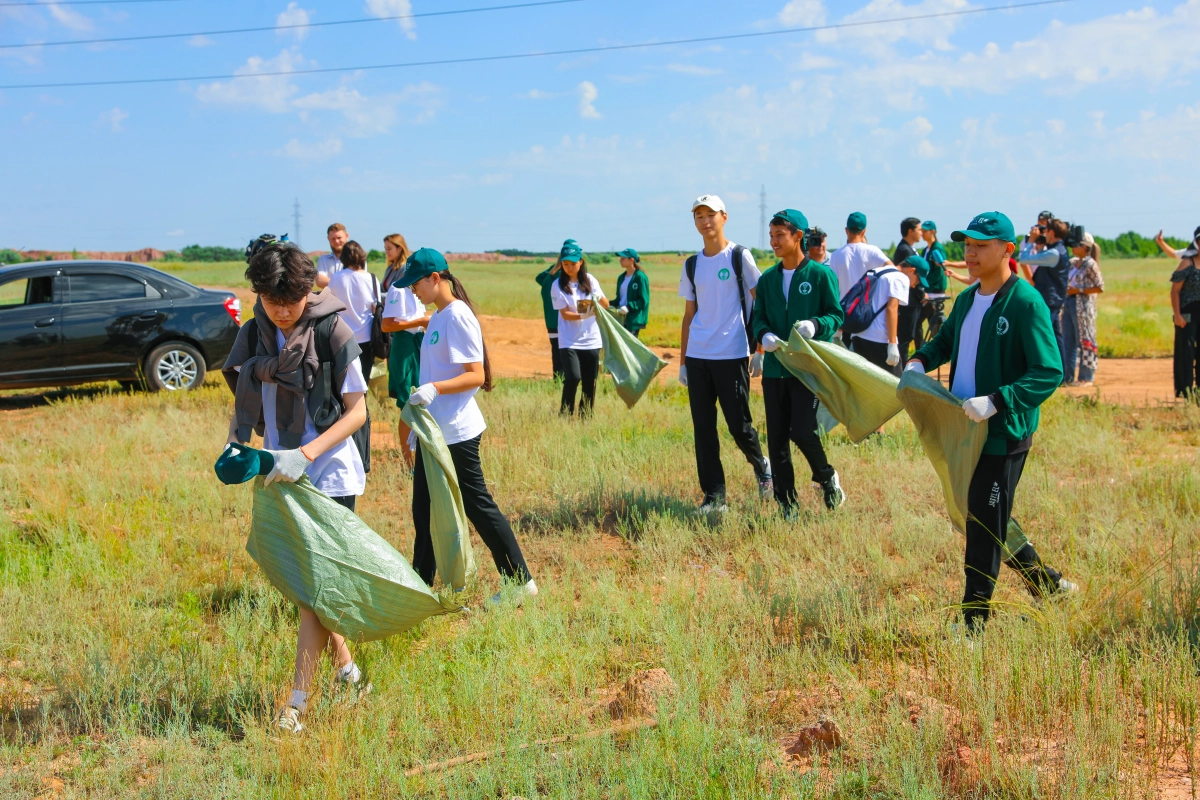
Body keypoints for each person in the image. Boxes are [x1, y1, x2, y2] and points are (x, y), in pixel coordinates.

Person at [222, 241, 370, 734]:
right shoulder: (253, 333)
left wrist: (304, 454)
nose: (283, 312)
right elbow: (246, 394)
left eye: (292, 300)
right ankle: (348, 672)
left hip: (327, 469)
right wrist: (239, 446)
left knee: (313, 589)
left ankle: (297, 704)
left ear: (309, 289)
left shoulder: (333, 327)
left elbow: (358, 411)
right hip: (279, 469)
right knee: (310, 587)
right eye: (271, 300)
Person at [906, 211, 1076, 633]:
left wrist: (999, 401)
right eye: (967, 245)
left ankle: (973, 626)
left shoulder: (1024, 302)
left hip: (1002, 433)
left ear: (1007, 250)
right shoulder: (966, 300)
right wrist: (919, 360)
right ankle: (1047, 584)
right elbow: (944, 342)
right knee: (985, 513)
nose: (971, 253)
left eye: (981, 245)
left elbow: (1048, 370)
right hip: (964, 429)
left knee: (982, 524)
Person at [397, 248, 538, 603]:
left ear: (435, 278)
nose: (412, 290)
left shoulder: (457, 315)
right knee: (424, 508)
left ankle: (520, 581)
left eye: (415, 283)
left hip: (457, 430)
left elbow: (475, 375)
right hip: (436, 430)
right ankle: (421, 585)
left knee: (477, 504)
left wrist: (434, 389)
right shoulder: (438, 316)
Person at [678, 194, 771, 512]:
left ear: (724, 217)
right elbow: (689, 315)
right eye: (699, 216)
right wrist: (683, 363)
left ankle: (763, 468)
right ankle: (714, 497)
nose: (705, 221)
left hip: (732, 354)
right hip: (699, 355)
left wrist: (758, 349)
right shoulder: (692, 264)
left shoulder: (739, 257)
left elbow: (761, 304)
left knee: (739, 426)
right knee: (703, 429)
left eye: (711, 215)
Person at [752, 209, 846, 514]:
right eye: (771, 235)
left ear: (798, 237)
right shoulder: (768, 279)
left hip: (806, 370)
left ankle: (826, 477)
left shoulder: (820, 275)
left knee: (803, 431)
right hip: (776, 370)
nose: (774, 241)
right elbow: (759, 318)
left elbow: (836, 315)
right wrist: (763, 336)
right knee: (777, 441)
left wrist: (816, 326)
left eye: (780, 235)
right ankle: (787, 506)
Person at [326, 240, 379, 472]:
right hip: (366, 341)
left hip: (342, 340)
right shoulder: (371, 278)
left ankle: (344, 439)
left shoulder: (337, 278)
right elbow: (374, 307)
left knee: (343, 392)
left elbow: (330, 303)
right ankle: (363, 450)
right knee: (361, 394)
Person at [380, 233, 430, 470]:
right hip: (405, 346)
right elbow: (387, 324)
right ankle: (408, 462)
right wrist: (420, 321)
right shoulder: (399, 289)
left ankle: (418, 457)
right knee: (407, 404)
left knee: (419, 401)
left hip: (418, 344)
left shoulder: (415, 289)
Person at [552, 243, 609, 416]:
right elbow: (566, 314)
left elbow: (605, 305)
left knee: (589, 381)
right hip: (569, 340)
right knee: (573, 377)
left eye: (573, 263)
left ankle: (586, 416)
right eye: (566, 263)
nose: (569, 267)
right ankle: (565, 414)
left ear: (581, 262)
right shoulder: (557, 285)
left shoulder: (590, 280)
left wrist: (596, 299)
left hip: (591, 339)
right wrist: (586, 313)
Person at [1018, 218, 1071, 376]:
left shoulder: (1054, 252)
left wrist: (1031, 242)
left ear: (1052, 232)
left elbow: (1024, 259)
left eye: (1046, 230)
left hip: (1050, 298)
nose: (1044, 233)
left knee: (1044, 335)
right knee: (1056, 335)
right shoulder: (1058, 250)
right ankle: (1062, 375)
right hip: (1053, 298)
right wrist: (1040, 248)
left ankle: (1048, 372)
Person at [847, 255, 912, 377]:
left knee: (864, 385)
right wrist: (892, 343)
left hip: (858, 334)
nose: (914, 285)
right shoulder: (901, 277)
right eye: (918, 280)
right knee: (895, 387)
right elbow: (891, 309)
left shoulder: (875, 270)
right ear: (912, 271)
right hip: (880, 339)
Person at [1065, 232, 1104, 386]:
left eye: (1076, 245)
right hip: (1069, 303)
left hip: (1084, 306)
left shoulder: (1091, 264)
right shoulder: (1073, 262)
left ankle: (1086, 376)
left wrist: (1079, 290)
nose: (1073, 248)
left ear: (1084, 247)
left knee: (1086, 340)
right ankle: (1067, 376)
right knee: (1069, 340)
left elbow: (1100, 287)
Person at [830, 212, 893, 300]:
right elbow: (892, 269)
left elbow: (832, 285)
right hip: (867, 308)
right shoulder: (873, 251)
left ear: (846, 231)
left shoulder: (835, 255)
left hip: (844, 307)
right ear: (864, 232)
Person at [535, 241, 572, 380]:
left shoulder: (550, 276)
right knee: (568, 353)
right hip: (565, 321)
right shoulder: (567, 277)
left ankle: (558, 380)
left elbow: (538, 277)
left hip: (551, 321)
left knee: (556, 353)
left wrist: (553, 268)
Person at [1171, 227, 1200, 397]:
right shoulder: (1187, 263)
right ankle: (1185, 390)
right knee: (1186, 352)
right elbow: (1175, 291)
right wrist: (1177, 315)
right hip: (1187, 315)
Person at [894, 218, 926, 361]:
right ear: (910, 231)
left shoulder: (910, 249)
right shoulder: (905, 250)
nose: (921, 232)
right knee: (905, 338)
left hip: (912, 301)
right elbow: (910, 278)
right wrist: (922, 294)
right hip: (908, 302)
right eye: (919, 229)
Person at [918, 221, 950, 345]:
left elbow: (939, 271)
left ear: (933, 232)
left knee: (932, 323)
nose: (922, 233)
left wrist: (924, 284)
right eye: (921, 231)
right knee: (930, 323)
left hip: (935, 291)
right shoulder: (926, 249)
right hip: (927, 290)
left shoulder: (937, 248)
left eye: (925, 231)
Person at [614, 248, 650, 338]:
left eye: (623, 259)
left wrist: (628, 307)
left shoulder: (640, 277)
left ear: (631, 260)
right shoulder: (621, 278)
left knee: (629, 348)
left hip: (633, 319)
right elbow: (619, 299)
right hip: (620, 318)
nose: (620, 261)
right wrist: (607, 303)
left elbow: (643, 301)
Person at [316, 223, 349, 289]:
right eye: (333, 238)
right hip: (330, 299)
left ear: (346, 236)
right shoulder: (323, 260)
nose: (336, 241)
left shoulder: (356, 258)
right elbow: (319, 280)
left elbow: (359, 280)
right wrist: (344, 284)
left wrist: (330, 282)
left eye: (339, 238)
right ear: (328, 239)